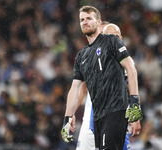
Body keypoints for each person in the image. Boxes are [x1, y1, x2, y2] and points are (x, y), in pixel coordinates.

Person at [61, 6, 142, 150]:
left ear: (98, 22)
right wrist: (68, 116)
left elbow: (131, 70)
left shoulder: (112, 42)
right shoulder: (82, 56)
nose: (85, 22)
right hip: (96, 115)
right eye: (82, 20)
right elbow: (76, 88)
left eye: (89, 18)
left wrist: (135, 102)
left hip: (116, 110)